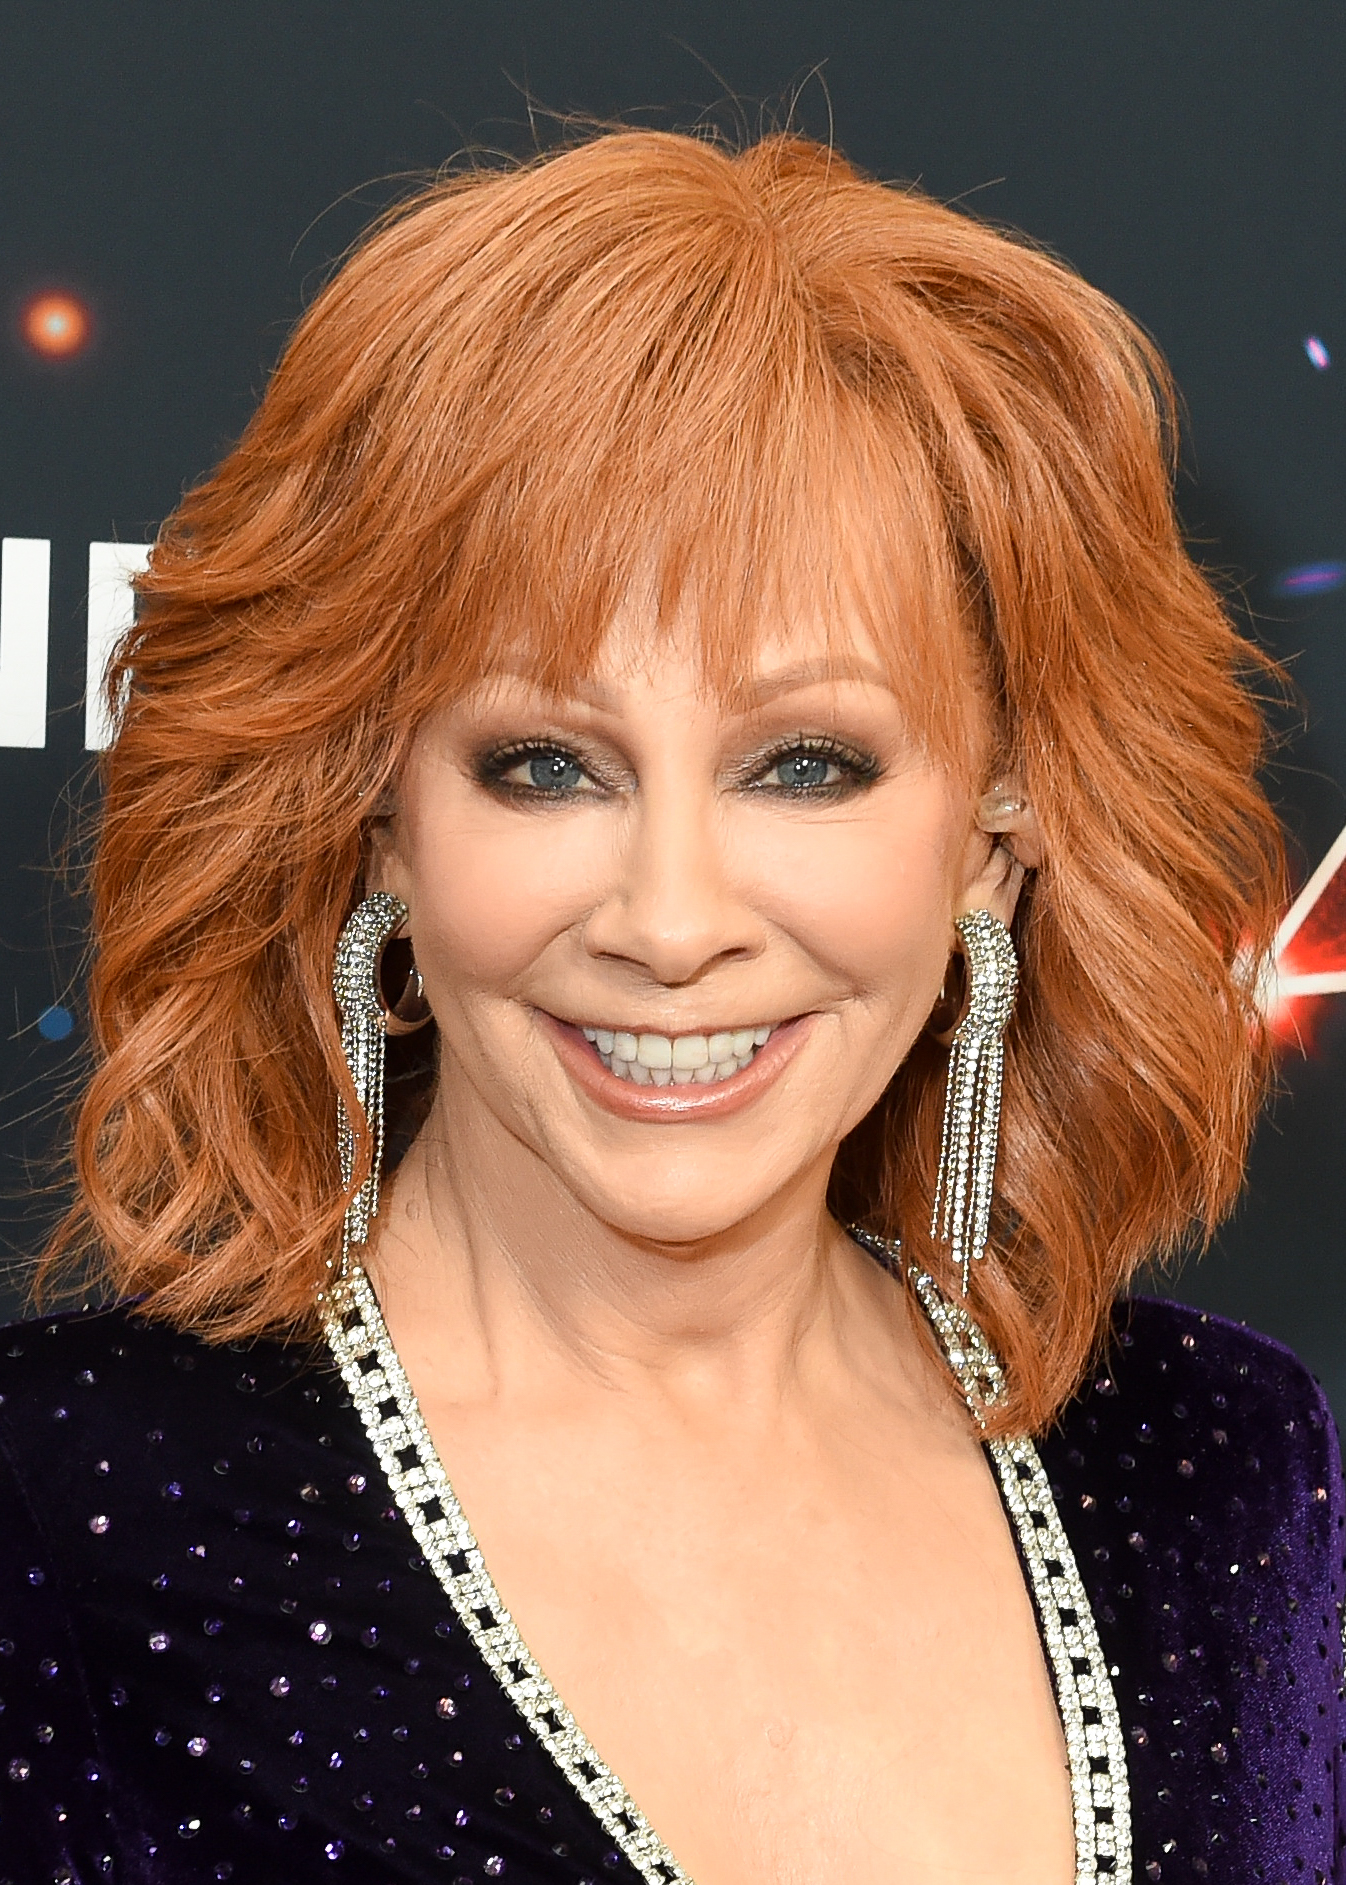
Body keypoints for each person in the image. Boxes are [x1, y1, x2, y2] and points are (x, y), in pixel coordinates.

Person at [0, 127, 1340, 1885]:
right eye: (545, 764)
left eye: (806, 762)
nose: (674, 920)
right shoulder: (61, 1508)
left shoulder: (1216, 1472)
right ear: (380, 818)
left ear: (992, 839)